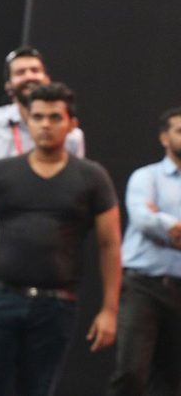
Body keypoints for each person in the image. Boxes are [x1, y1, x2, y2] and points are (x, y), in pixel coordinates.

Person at [0, 83, 121, 396]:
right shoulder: (1, 172)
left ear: (71, 124)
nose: (45, 125)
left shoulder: (92, 177)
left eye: (54, 117)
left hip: (56, 304)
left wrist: (110, 310)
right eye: (37, 117)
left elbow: (110, 244)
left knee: (38, 389)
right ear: (28, 121)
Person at [108, 107, 181, 396]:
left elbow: (155, 222)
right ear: (164, 137)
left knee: (172, 379)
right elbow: (143, 220)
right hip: (143, 286)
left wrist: (163, 222)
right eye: (179, 131)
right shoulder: (146, 177)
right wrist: (168, 225)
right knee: (131, 372)